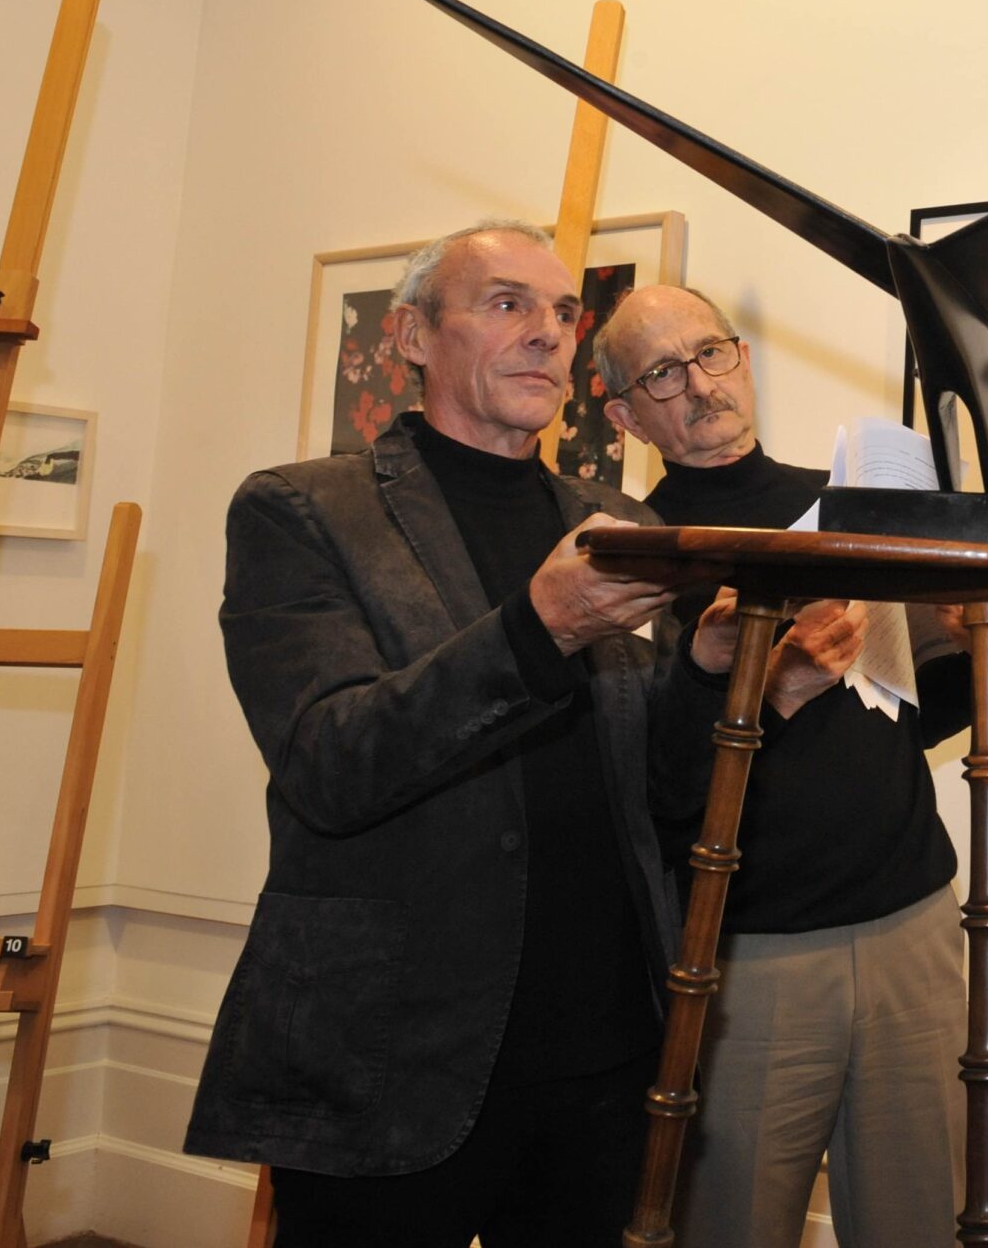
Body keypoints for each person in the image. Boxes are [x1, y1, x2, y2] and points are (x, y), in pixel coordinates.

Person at [184, 221, 722, 1247]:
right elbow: (331, 763)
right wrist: (538, 629)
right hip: (391, 1055)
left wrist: (710, 672)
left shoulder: (617, 522)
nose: (548, 333)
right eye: (507, 303)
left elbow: (658, 790)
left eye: (563, 312)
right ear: (414, 336)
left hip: (605, 1050)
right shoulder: (303, 510)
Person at [592, 282, 973, 1247]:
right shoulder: (629, 557)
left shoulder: (846, 500)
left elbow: (925, 721)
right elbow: (654, 790)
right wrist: (768, 686)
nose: (699, 384)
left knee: (921, 1226)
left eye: (710, 352)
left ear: (744, 360)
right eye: (662, 372)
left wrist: (961, 635)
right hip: (749, 956)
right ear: (625, 416)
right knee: (735, 1226)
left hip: (913, 924)